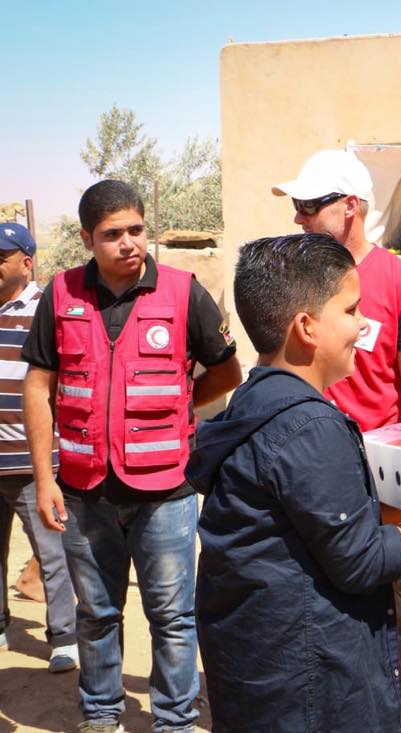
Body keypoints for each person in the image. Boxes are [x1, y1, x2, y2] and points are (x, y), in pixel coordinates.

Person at [188, 232, 401, 732]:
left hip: (265, 673)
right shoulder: (308, 427)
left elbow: (329, 517)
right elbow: (363, 559)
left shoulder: (255, 403)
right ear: (307, 327)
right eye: (352, 310)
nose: (363, 325)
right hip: (309, 689)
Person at [22, 180, 242, 733]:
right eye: (112, 234)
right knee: (96, 615)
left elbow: (227, 370)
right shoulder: (60, 293)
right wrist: (45, 479)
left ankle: (174, 719)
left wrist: (177, 406)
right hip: (83, 490)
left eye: (136, 230)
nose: (128, 243)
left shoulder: (183, 291)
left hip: (166, 493)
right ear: (87, 239)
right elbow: (38, 386)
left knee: (172, 617)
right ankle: (100, 715)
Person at [272, 149, 401, 732]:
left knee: (390, 609)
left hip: (374, 480)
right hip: (304, 471)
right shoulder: (298, 277)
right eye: (294, 207)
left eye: (309, 206)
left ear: (350, 207)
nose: (298, 218)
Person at [0, 222, 77, 673]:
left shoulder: (45, 310)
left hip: (34, 462)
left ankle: (63, 637)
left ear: (25, 263)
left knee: (53, 552)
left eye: (0, 257)